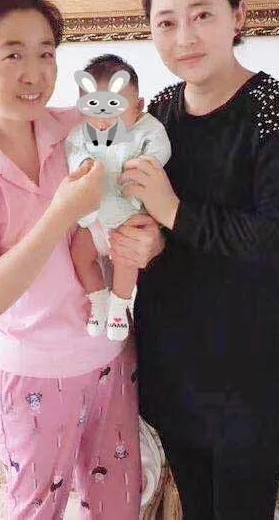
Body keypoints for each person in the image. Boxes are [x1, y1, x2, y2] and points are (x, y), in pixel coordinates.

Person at [0, 0, 162, 519]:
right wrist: (60, 212)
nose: (34, 73)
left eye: (46, 54)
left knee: (119, 506)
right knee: (36, 510)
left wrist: (149, 239)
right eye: (13, 55)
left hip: (110, 357)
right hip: (32, 374)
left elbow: (133, 206)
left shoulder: (82, 130)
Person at [120, 0, 279, 519]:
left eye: (202, 14)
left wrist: (174, 211)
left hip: (247, 364)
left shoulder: (278, 111)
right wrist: (151, 236)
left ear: (238, 15)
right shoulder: (158, 113)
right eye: (166, 22)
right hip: (172, 354)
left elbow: (278, 240)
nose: (185, 37)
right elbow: (147, 219)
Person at [66, 54, 171, 341]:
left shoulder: (146, 128)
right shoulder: (81, 133)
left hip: (127, 213)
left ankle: (118, 307)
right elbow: (73, 150)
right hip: (95, 217)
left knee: (127, 259)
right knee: (79, 254)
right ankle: (98, 299)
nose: (103, 122)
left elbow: (161, 148)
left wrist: (148, 163)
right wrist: (82, 164)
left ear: (138, 106)